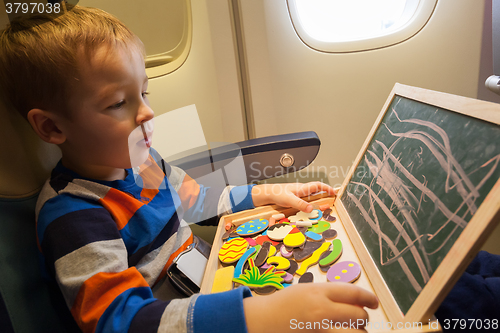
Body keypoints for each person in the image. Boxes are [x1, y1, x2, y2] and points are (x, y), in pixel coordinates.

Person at [0, 4, 378, 333]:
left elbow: (196, 201)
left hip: (209, 283)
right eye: (118, 102)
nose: (147, 112)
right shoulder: (74, 215)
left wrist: (266, 194)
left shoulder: (142, 162)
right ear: (51, 127)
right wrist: (256, 317)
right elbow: (119, 321)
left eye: (143, 93)